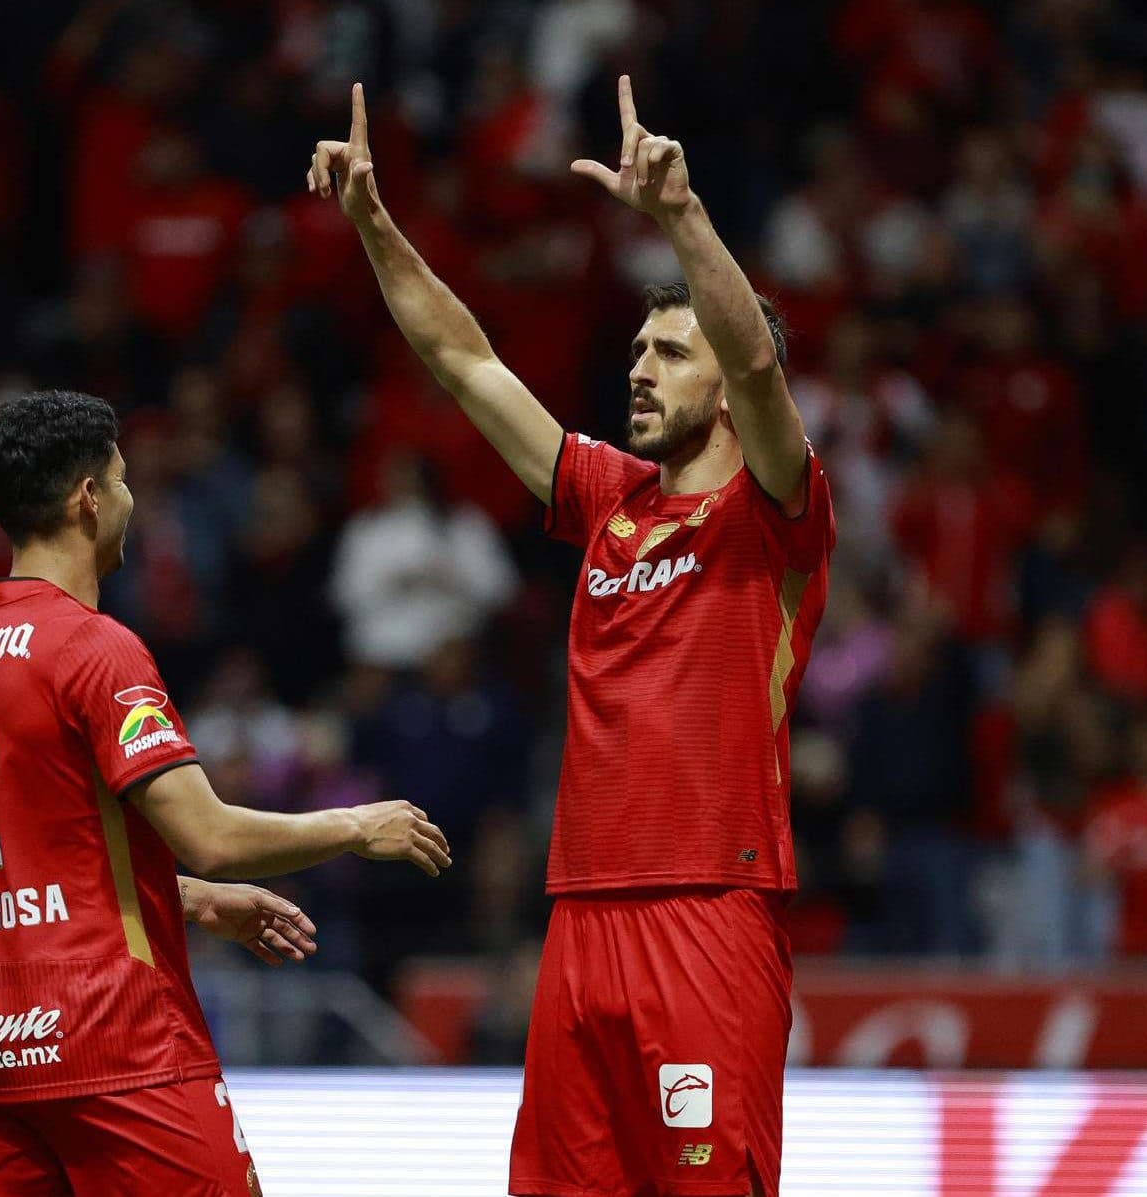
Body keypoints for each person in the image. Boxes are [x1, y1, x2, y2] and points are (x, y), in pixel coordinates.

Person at [311, 77, 835, 1197]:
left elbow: (757, 365)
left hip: (711, 910)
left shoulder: (777, 513)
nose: (640, 369)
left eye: (671, 353)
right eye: (640, 347)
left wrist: (682, 219)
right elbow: (465, 361)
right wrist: (373, 224)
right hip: (580, 914)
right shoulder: (608, 496)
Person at [0, 389, 452, 1197]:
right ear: (90, 498)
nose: (133, 501)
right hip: (115, 1035)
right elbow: (207, 831)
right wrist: (356, 824)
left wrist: (193, 900)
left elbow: (49, 862)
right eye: (125, 479)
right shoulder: (96, 647)